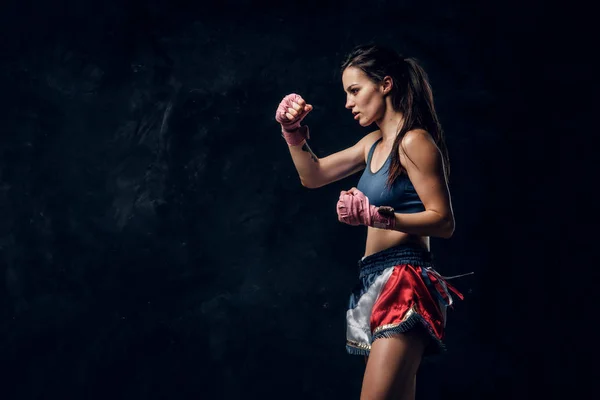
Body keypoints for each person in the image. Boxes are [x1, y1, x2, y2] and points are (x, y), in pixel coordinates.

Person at [274, 44, 467, 400]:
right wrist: (293, 131)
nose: (348, 103)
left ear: (386, 84)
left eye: (355, 90)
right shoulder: (372, 144)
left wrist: (381, 218)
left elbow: (444, 222)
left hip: (405, 281)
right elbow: (313, 176)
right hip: (373, 279)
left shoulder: (414, 141)